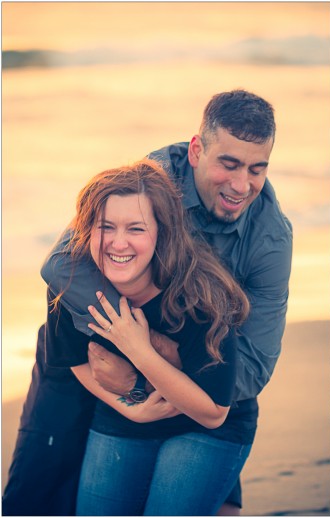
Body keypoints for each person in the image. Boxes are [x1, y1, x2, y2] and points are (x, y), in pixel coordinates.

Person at [2, 89, 292, 515]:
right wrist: (126, 379)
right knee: (38, 491)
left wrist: (144, 360)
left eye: (256, 169)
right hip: (91, 345)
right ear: (196, 150)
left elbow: (250, 369)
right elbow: (63, 266)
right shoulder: (154, 180)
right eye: (228, 165)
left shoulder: (271, 239)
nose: (241, 185)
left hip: (202, 368)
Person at [47, 159, 252, 514]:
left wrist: (138, 348)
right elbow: (77, 362)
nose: (118, 243)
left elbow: (214, 412)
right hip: (125, 415)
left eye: (136, 229)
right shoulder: (73, 282)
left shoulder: (200, 295)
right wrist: (133, 410)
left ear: (162, 232)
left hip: (205, 423)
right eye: (105, 226)